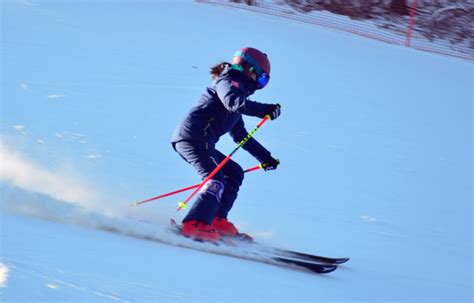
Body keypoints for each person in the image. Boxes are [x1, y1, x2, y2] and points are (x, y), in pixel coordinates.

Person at [171, 47, 281, 242]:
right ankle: (195, 223)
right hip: (193, 139)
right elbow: (232, 102)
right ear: (250, 70)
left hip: (203, 142)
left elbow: (240, 136)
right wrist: (264, 109)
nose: (260, 84)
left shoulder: (238, 93)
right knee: (215, 179)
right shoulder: (227, 81)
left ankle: (216, 219)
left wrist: (265, 157)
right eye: (262, 79)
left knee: (234, 172)